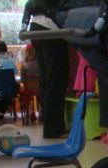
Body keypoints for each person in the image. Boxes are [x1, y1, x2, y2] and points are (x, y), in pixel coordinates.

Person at [22, 1, 69, 138]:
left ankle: (50, 128)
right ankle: (55, 128)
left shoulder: (31, 4)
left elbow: (27, 11)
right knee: (56, 80)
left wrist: (23, 28)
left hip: (35, 29)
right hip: (50, 30)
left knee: (46, 81)